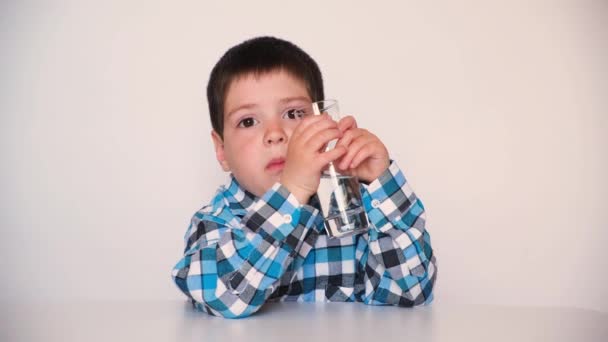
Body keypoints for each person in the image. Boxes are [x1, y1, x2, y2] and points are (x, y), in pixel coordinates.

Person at [172, 36, 437, 319]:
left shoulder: (352, 213)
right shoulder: (215, 222)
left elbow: (412, 291)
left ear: (323, 124)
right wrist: (293, 189)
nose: (275, 133)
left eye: (293, 113)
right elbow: (222, 296)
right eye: (248, 121)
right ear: (221, 150)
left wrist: (379, 183)